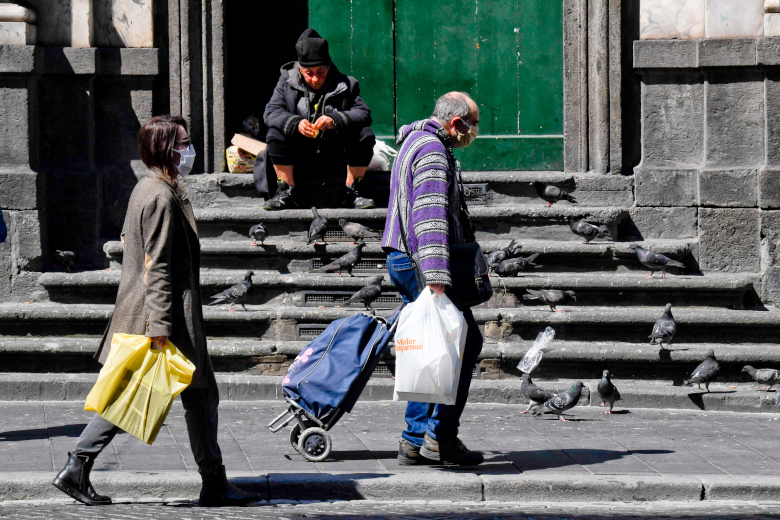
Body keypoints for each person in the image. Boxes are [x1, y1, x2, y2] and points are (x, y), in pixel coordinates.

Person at [51, 115, 261, 507]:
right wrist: (160, 325)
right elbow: (157, 265)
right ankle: (77, 465)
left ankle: (213, 480)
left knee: (198, 396)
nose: (189, 149)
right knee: (136, 395)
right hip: (164, 316)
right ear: (165, 149)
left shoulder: (150, 188)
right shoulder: (160, 196)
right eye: (182, 143)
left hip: (163, 313)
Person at [382, 92, 484, 466]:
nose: (473, 133)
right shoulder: (432, 152)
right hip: (421, 263)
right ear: (456, 123)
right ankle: (439, 437)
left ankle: (415, 439)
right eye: (472, 126)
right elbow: (429, 216)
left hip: (407, 259)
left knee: (433, 345)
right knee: (463, 342)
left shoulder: (415, 141)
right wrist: (437, 277)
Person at [262, 28, 376, 210]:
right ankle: (286, 191)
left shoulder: (346, 84)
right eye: (309, 73)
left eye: (320, 72)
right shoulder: (286, 83)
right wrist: (295, 123)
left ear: (329, 66)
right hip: (300, 154)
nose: (315, 79)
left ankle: (352, 191)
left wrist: (335, 119)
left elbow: (363, 112)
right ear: (300, 69)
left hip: (335, 153)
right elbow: (271, 111)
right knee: (275, 133)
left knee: (364, 133)